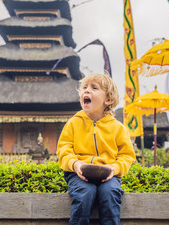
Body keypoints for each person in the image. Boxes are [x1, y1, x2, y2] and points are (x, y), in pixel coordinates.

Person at [57, 73, 136, 225]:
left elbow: (127, 155)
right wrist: (75, 164)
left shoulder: (118, 128)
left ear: (108, 99)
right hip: (78, 173)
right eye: (84, 88)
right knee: (85, 193)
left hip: (109, 174)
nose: (86, 91)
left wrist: (114, 168)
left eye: (94, 88)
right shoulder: (73, 123)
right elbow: (63, 149)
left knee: (110, 193)